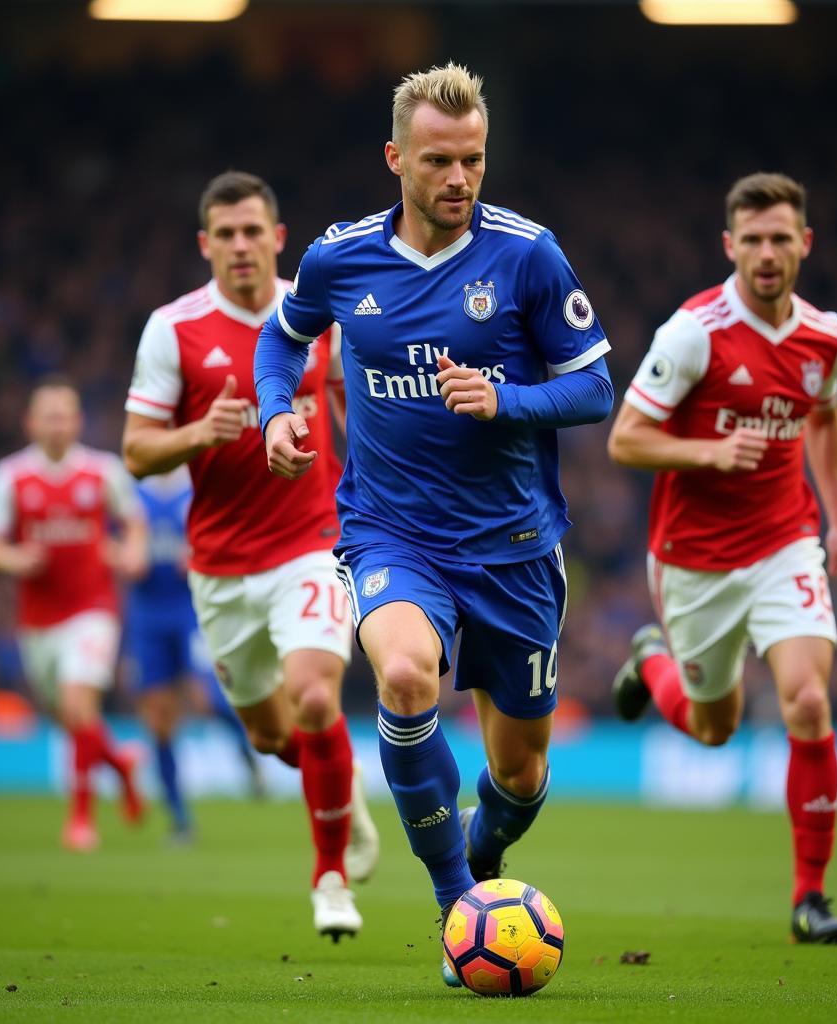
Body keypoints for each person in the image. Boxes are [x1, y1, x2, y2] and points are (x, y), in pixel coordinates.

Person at [254, 63, 614, 984]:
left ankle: (481, 859)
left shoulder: (528, 255)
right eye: (439, 162)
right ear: (395, 159)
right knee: (405, 678)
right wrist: (274, 412)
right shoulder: (341, 257)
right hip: (390, 532)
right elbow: (282, 335)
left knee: (523, 776)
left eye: (474, 161)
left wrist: (507, 400)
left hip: (516, 549)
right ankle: (459, 904)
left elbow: (594, 386)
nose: (459, 180)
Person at [607, 172, 837, 944]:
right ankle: (653, 664)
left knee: (809, 703)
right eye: (751, 240)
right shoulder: (695, 333)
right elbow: (625, 439)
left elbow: (824, 420)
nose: (766, 252)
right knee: (715, 728)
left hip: (787, 542)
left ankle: (809, 899)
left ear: (804, 245)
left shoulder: (828, 337)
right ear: (729, 246)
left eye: (780, 238)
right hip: (696, 560)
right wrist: (710, 450)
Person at [121, 170, 379, 940]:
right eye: (224, 234)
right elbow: (135, 451)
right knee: (272, 737)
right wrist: (199, 433)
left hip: (311, 544)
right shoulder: (174, 329)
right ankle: (343, 790)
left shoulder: (317, 313)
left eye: (252, 231)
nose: (240, 246)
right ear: (206, 245)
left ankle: (329, 876)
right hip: (220, 566)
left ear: (278, 236)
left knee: (314, 697)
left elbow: (353, 400)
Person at [0, 376, 148, 851]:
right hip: (37, 621)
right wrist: (16, 559)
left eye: (65, 414)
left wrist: (132, 553)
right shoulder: (10, 475)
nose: (57, 424)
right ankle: (121, 767)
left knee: (79, 704)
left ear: (79, 421)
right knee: (71, 718)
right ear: (30, 422)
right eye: (48, 415)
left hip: (93, 609)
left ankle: (80, 822)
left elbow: (134, 523)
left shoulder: (102, 471)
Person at [125, 466, 264, 843]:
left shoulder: (199, 482)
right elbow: (107, 542)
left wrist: (204, 554)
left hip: (192, 609)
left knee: (206, 697)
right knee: (159, 718)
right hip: (147, 615)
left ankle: (247, 749)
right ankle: (180, 818)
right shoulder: (129, 489)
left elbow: (233, 532)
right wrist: (126, 556)